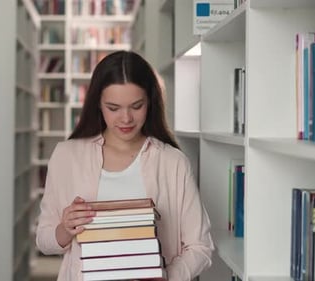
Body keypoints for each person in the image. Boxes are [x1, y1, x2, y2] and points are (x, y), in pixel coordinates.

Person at [36, 50, 214, 281]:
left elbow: (201, 246)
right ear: (98, 104)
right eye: (113, 108)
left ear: (150, 101)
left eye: (136, 106)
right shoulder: (66, 156)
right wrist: (65, 228)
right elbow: (44, 240)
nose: (126, 118)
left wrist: (169, 276)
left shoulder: (173, 162)